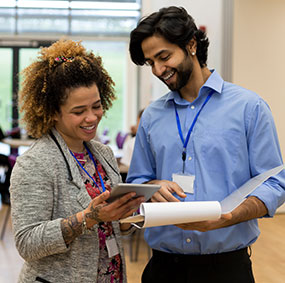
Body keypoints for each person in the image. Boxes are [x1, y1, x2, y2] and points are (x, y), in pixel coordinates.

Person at [127, 6, 285, 283]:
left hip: (226, 269)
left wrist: (228, 217)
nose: (158, 70)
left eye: (164, 57)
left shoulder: (249, 108)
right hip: (163, 268)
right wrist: (152, 186)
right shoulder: (151, 116)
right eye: (150, 62)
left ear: (191, 45)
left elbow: (274, 183)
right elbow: (137, 180)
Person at [10, 39, 145, 283]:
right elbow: (27, 242)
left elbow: (113, 228)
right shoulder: (35, 163)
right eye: (78, 111)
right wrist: (89, 217)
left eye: (96, 106)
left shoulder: (102, 154)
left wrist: (128, 213)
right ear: (52, 112)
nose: (92, 117)